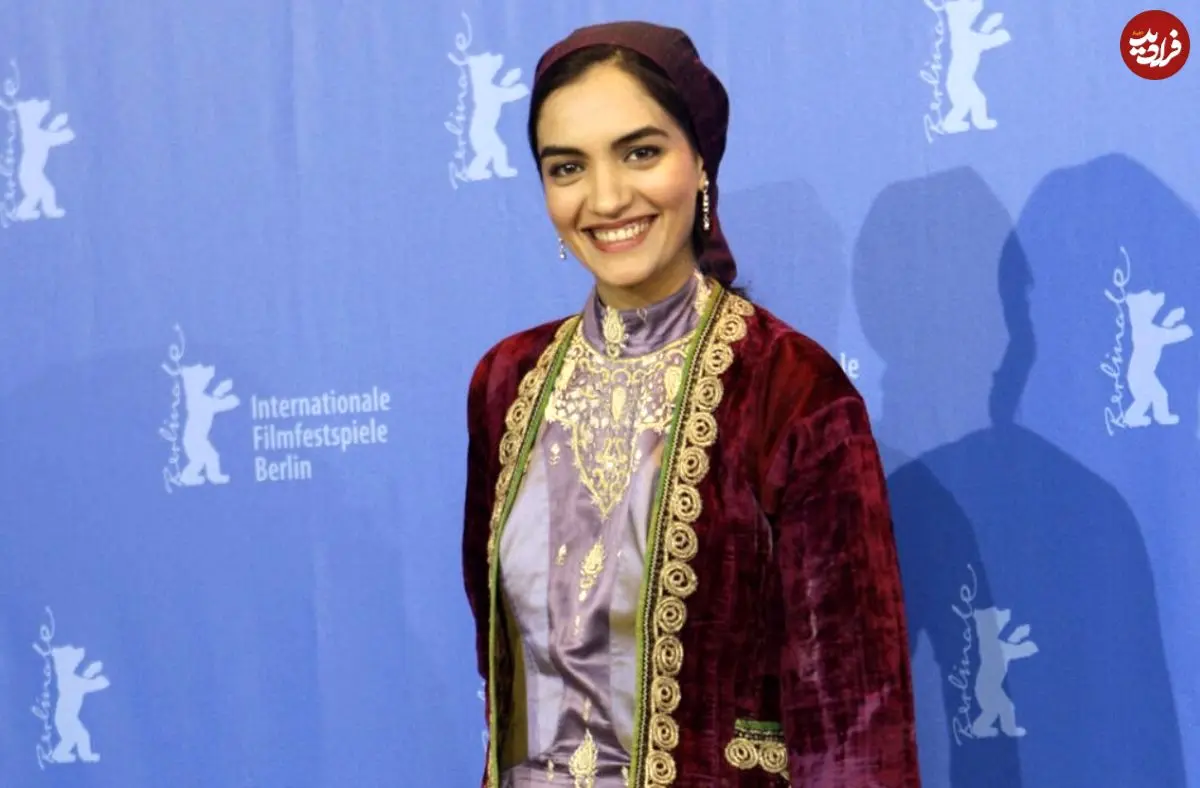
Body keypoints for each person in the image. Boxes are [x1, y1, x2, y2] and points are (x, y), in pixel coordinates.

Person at [462, 20, 920, 787]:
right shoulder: (506, 383)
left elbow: (856, 723)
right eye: (567, 166)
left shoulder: (791, 389)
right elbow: (501, 665)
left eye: (640, 152)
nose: (607, 197)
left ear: (701, 159)